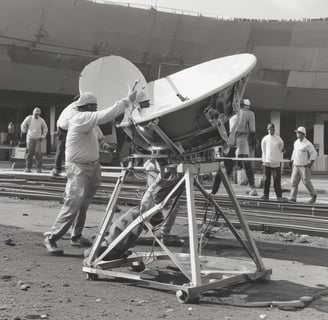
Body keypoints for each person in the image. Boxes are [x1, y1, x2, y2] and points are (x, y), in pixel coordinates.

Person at [43, 90, 136, 255]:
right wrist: (126, 101)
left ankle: (76, 236)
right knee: (74, 202)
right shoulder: (80, 118)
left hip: (92, 166)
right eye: (93, 107)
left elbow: (98, 137)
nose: (95, 109)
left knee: (84, 204)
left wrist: (105, 145)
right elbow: (104, 115)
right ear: (86, 107)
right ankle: (51, 237)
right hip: (78, 167)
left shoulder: (90, 123)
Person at [211, 98, 257, 196]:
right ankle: (253, 188)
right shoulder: (249, 114)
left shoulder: (230, 115)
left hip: (230, 142)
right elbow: (252, 130)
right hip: (242, 141)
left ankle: (214, 191)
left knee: (224, 167)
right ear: (247, 106)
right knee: (247, 165)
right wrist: (253, 141)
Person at [51, 96, 79, 177]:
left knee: (61, 149)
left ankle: (57, 169)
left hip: (61, 126)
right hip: (65, 128)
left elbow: (60, 118)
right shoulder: (76, 108)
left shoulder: (70, 106)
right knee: (68, 150)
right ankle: (59, 169)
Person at [289, 126, 317, 204]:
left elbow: (314, 153)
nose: (297, 134)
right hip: (296, 165)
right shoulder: (296, 142)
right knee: (293, 182)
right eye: (297, 132)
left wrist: (310, 162)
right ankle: (293, 197)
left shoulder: (308, 144)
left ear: (303, 134)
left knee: (306, 182)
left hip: (304, 166)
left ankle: (313, 195)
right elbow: (294, 152)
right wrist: (292, 161)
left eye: (298, 133)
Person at [261, 123, 286, 201]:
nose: (270, 130)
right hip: (266, 162)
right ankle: (265, 195)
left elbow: (282, 149)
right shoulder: (265, 139)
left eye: (272, 129)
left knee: (276, 181)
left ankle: (279, 196)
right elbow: (263, 151)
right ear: (267, 130)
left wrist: (282, 151)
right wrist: (264, 160)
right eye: (269, 129)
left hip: (276, 163)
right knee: (266, 180)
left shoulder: (279, 139)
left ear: (274, 129)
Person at [20, 107, 48, 173]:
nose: (36, 115)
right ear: (33, 113)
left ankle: (39, 168)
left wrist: (43, 136)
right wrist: (24, 130)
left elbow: (45, 128)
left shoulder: (41, 120)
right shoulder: (29, 118)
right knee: (30, 153)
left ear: (39, 114)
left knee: (38, 154)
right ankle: (28, 168)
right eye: (35, 114)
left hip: (38, 138)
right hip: (30, 138)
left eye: (38, 114)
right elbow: (23, 125)